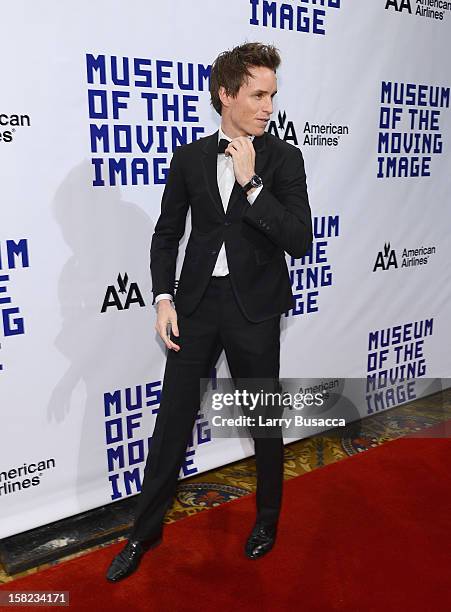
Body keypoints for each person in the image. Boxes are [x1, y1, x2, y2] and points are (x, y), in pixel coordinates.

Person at [106, 41, 312, 582]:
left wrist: (251, 183)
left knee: (262, 420)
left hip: (255, 310)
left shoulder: (285, 159)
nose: (269, 106)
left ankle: (267, 519)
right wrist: (163, 297)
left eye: (273, 95)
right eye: (257, 94)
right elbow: (166, 234)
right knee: (171, 422)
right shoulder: (190, 157)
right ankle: (142, 534)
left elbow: (299, 240)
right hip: (195, 307)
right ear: (226, 94)